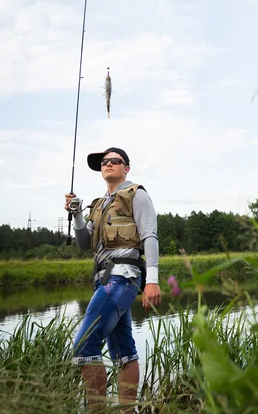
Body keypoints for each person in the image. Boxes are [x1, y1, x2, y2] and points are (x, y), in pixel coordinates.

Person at [64, 147, 161, 413]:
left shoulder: (136, 195)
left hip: (123, 277)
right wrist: (77, 213)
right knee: (124, 352)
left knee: (84, 347)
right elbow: (84, 243)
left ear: (126, 168)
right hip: (103, 280)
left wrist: (152, 280)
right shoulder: (97, 205)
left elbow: (150, 236)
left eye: (114, 161)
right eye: (103, 162)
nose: (107, 164)